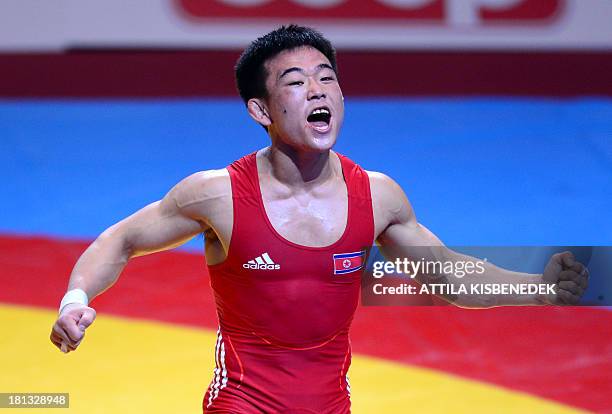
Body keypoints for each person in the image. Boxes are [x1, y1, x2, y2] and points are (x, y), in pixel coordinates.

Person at [50, 25, 589, 413]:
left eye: (326, 78)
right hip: (241, 403)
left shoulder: (377, 197)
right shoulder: (218, 196)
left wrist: (539, 286)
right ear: (261, 110)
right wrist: (77, 299)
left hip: (333, 405)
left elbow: (443, 273)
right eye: (295, 81)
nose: (317, 90)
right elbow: (120, 240)